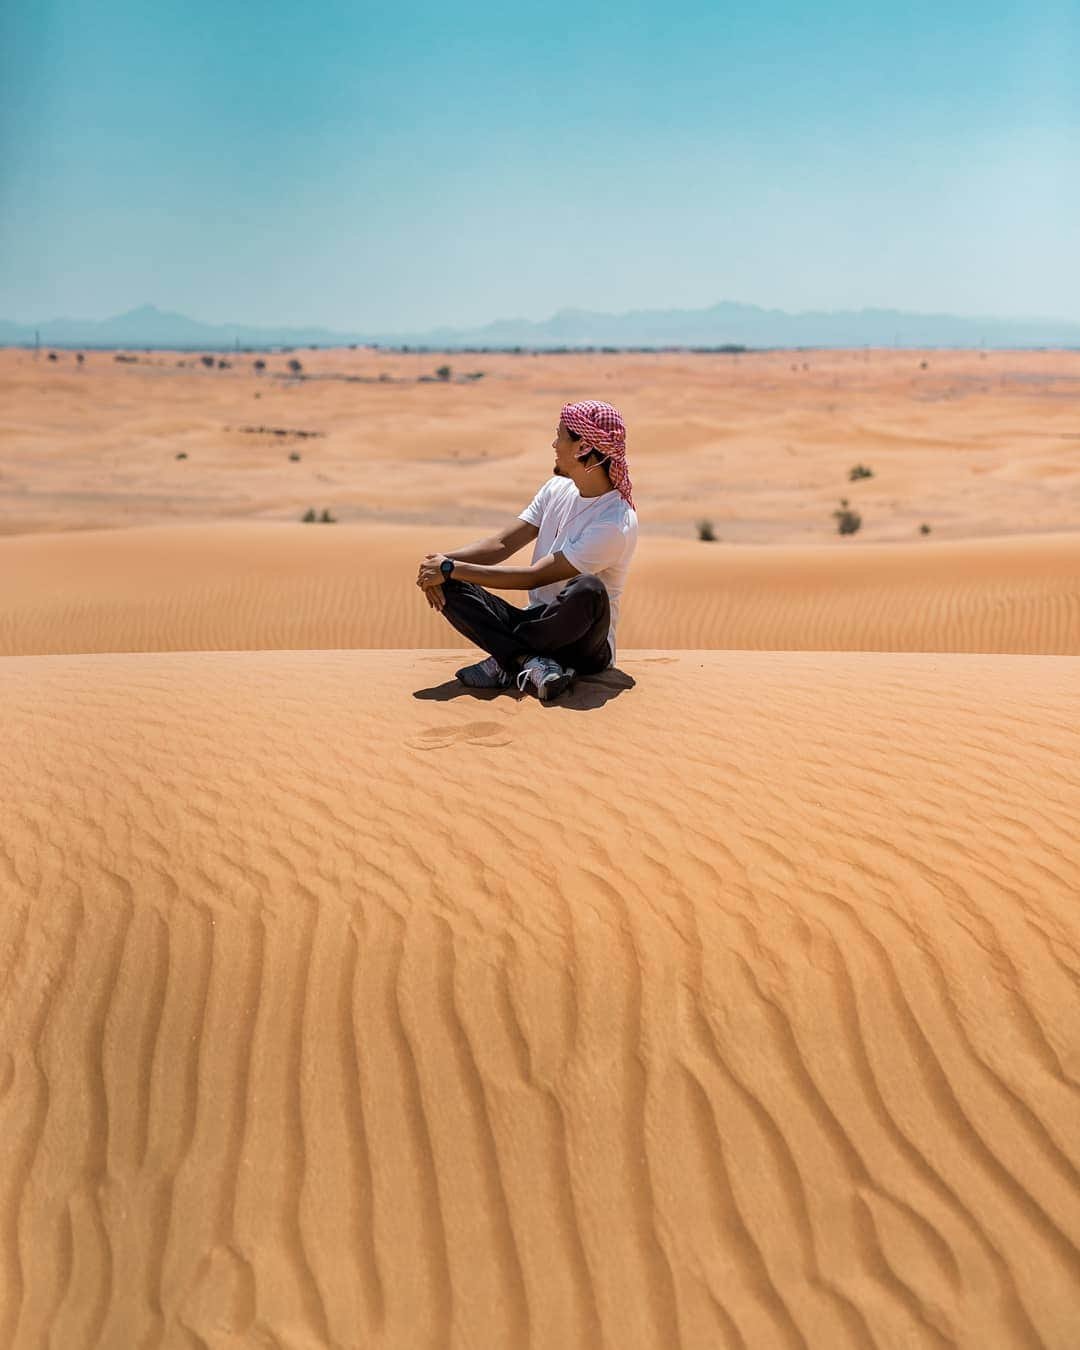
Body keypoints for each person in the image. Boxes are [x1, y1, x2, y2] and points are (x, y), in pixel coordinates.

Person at [416, 399, 638, 702]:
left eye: (560, 436)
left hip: (583, 645)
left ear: (583, 448)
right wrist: (441, 563)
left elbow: (535, 577)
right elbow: (502, 544)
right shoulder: (556, 490)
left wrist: (447, 568)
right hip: (535, 622)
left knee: (588, 589)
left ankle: (508, 657)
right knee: (452, 583)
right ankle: (528, 662)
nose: (554, 444)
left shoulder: (614, 523)